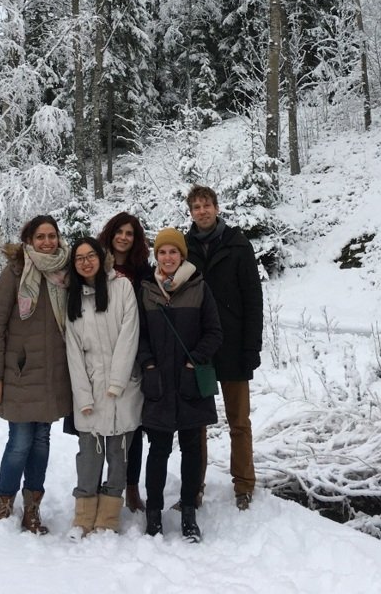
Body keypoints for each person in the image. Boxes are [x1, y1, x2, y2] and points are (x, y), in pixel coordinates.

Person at [0, 214, 72, 533]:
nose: (47, 242)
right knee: (20, 442)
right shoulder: (15, 273)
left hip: (53, 375)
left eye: (52, 236)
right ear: (29, 240)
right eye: (41, 237)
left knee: (42, 442)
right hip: (20, 373)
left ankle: (32, 508)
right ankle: (4, 503)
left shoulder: (66, 272)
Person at [138, 227, 222, 542]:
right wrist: (147, 363)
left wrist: (194, 360)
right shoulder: (146, 289)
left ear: (181, 255)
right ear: (156, 256)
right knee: (157, 450)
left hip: (189, 382)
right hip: (158, 382)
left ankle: (189, 512)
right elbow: (139, 334)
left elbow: (215, 331)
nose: (168, 257)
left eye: (173, 251)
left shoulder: (199, 287)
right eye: (162, 252)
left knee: (191, 450)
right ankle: (154, 514)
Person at [184, 184, 263, 511]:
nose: (201, 211)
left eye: (206, 205)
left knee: (239, 421)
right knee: (196, 423)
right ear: (190, 212)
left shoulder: (237, 245)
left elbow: (253, 300)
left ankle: (244, 484)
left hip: (232, 347)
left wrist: (251, 348)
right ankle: (194, 487)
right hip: (200, 349)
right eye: (195, 207)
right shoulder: (183, 248)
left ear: (217, 208)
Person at [65, 236, 143, 537]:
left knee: (118, 455)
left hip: (123, 388)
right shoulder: (73, 298)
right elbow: (72, 351)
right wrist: (83, 394)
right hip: (91, 389)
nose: (86, 262)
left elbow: (129, 334)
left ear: (101, 257)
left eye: (90, 255)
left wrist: (117, 381)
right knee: (88, 455)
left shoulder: (121, 287)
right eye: (79, 258)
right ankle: (83, 518)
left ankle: (108, 519)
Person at [98, 211, 153, 513]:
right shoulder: (94, 265)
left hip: (134, 354)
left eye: (129, 233)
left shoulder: (142, 271)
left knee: (134, 424)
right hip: (99, 355)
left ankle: (131, 487)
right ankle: (97, 486)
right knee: (97, 423)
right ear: (110, 233)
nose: (123, 237)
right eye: (119, 231)